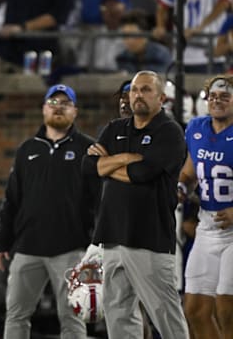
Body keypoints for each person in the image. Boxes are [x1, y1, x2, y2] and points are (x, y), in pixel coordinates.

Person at [82, 70, 189, 339]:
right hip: (112, 236)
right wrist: (128, 158)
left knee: (165, 315)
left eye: (146, 90)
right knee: (118, 314)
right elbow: (88, 167)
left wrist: (108, 164)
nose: (138, 95)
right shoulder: (115, 128)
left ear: (162, 97)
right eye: (134, 90)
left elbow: (144, 174)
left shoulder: (170, 131)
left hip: (149, 238)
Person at [0, 84, 97, 338]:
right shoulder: (27, 150)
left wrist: (96, 245)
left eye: (65, 103)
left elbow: (100, 202)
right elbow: (12, 200)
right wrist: (2, 243)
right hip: (27, 247)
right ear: (43, 109)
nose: (58, 108)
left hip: (71, 248)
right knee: (16, 316)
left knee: (72, 317)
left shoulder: (89, 149)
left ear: (75, 111)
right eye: (53, 103)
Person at [177, 75, 233, 339]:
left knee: (226, 309)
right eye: (213, 96)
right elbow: (189, 173)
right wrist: (180, 188)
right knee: (195, 310)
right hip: (207, 226)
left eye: (225, 96)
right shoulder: (196, 128)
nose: (217, 100)